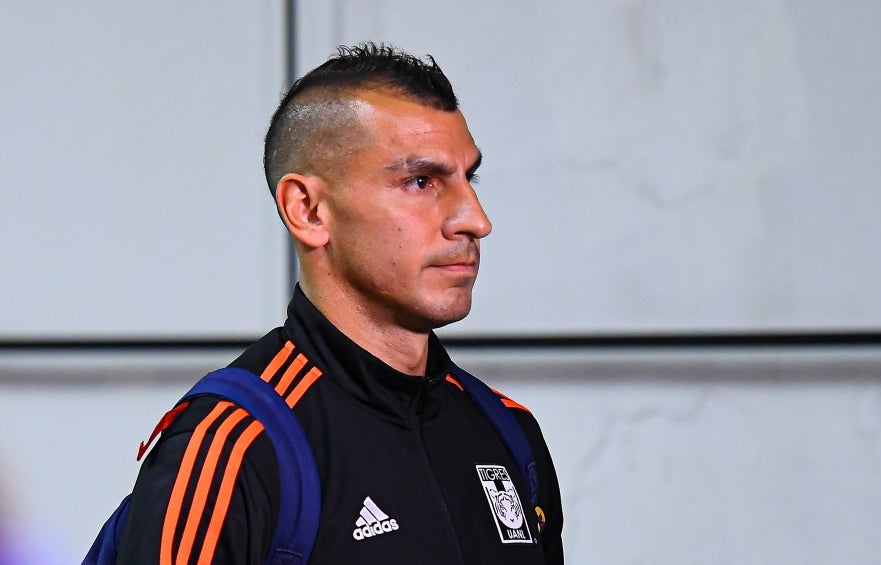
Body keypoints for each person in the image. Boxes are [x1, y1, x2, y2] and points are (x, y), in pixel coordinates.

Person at [115, 42, 563, 563]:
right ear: (307, 211)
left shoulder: (508, 432)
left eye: (470, 178)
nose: (475, 220)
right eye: (421, 181)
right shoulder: (230, 447)